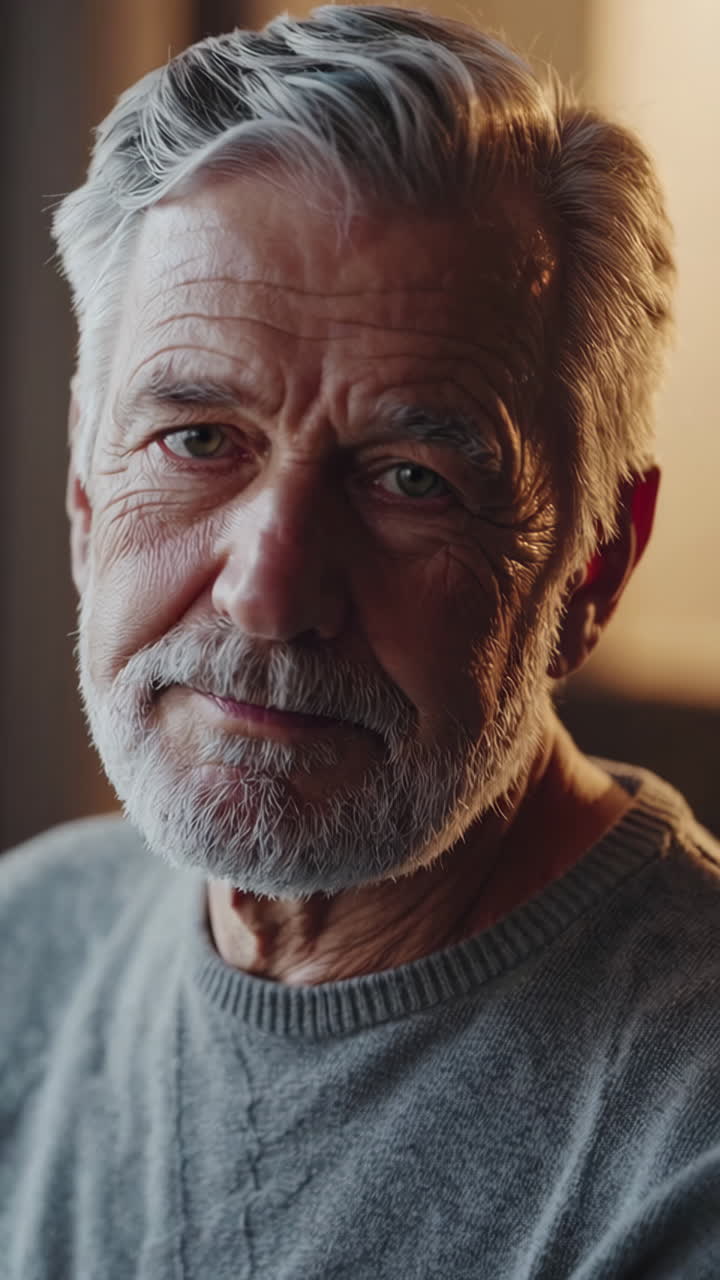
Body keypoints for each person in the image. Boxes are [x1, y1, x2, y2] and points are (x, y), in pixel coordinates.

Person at [1, 5, 718, 1276]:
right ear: (83, 489)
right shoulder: (25, 946)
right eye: (196, 439)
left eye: (408, 478)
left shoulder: (682, 1143)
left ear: (595, 558)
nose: (269, 594)